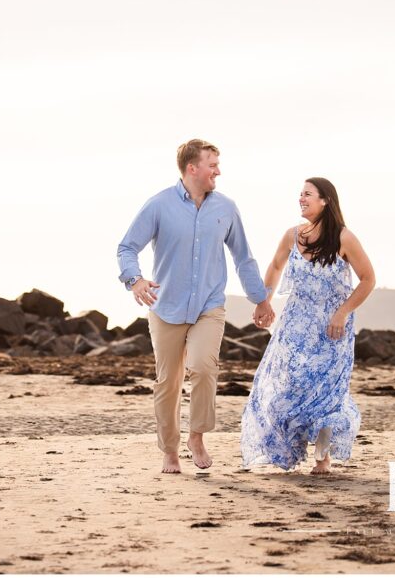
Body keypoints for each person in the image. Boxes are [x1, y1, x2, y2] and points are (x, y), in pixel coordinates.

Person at [117, 139, 275, 474]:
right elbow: (127, 247)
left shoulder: (226, 208)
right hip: (166, 307)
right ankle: (170, 451)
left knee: (204, 367)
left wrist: (260, 299)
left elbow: (243, 257)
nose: (218, 170)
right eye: (212, 164)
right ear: (193, 168)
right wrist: (136, 280)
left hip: (209, 305)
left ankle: (197, 435)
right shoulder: (159, 205)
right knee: (168, 382)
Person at [240, 177, 375, 474]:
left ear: (325, 200)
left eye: (308, 195)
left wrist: (342, 313)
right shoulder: (292, 236)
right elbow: (276, 266)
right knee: (286, 385)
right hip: (295, 325)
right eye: (300, 194)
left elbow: (368, 279)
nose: (301, 199)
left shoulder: (344, 238)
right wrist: (265, 301)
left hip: (332, 329)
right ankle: (289, 448)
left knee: (327, 391)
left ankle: (322, 457)